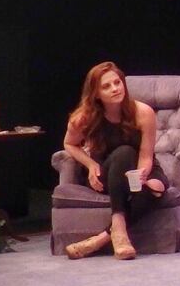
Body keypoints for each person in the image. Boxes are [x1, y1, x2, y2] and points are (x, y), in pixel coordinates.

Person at [61, 62, 168, 260]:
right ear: (95, 94)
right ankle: (118, 225)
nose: (115, 89)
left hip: (139, 168)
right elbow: (69, 144)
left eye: (117, 82)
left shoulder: (143, 112)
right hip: (108, 173)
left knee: (157, 187)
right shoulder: (84, 118)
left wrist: (142, 176)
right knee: (124, 152)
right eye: (106, 86)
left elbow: (146, 156)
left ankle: (101, 239)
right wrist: (91, 164)